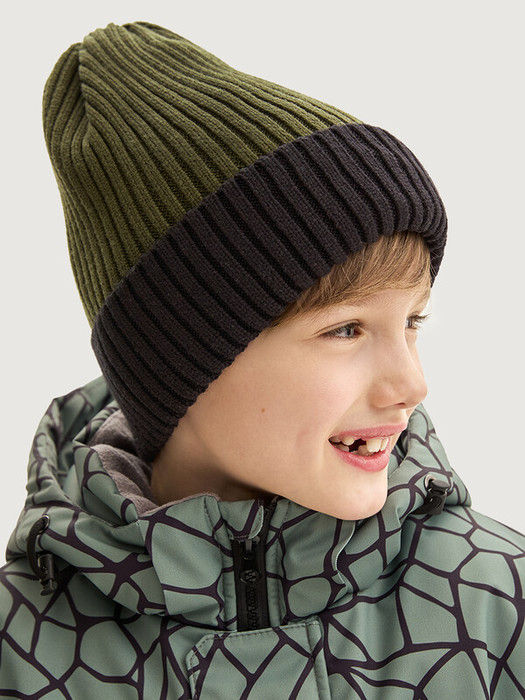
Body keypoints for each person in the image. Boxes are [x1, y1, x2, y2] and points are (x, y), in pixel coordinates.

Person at [0, 21, 523, 699]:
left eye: (412, 322)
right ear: (183, 356)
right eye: (345, 330)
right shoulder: (20, 648)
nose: (411, 384)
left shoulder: (496, 604)